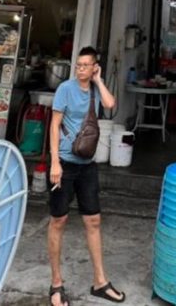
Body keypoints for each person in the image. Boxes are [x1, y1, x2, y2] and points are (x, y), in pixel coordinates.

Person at [48, 47, 124, 306]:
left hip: (87, 165)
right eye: (78, 65)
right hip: (65, 165)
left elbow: (111, 104)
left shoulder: (94, 88)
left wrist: (99, 80)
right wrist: (54, 162)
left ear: (94, 67)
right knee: (58, 221)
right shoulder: (65, 90)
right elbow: (54, 125)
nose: (80, 68)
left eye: (85, 65)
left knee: (93, 221)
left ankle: (100, 282)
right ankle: (56, 285)